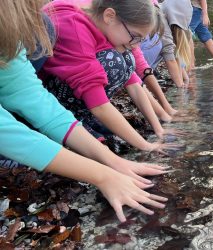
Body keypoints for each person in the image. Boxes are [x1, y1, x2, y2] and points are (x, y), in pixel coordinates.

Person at [0, 0, 167, 222]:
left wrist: (113, 161)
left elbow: (31, 96)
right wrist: (101, 176)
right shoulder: (71, 27)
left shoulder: (16, 25)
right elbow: (6, 131)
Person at [40, 0, 180, 150]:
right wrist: (145, 145)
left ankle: (85, 116)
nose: (136, 45)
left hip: (63, 87)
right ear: (109, 16)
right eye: (135, 36)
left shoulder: (102, 26)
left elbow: (132, 81)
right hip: (45, 98)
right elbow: (99, 105)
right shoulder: (75, 27)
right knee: (114, 61)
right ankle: (75, 117)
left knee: (127, 59)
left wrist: (159, 128)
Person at [140, 0, 191, 88]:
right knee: (161, 45)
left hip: (136, 53)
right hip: (138, 62)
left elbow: (176, 56)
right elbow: (170, 59)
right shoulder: (161, 20)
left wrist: (185, 78)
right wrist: (180, 86)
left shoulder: (160, 9)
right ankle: (140, 77)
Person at [189, 0, 213, 66]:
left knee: (187, 35)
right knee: (206, 37)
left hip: (193, 10)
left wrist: (205, 14)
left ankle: (191, 64)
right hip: (197, 10)